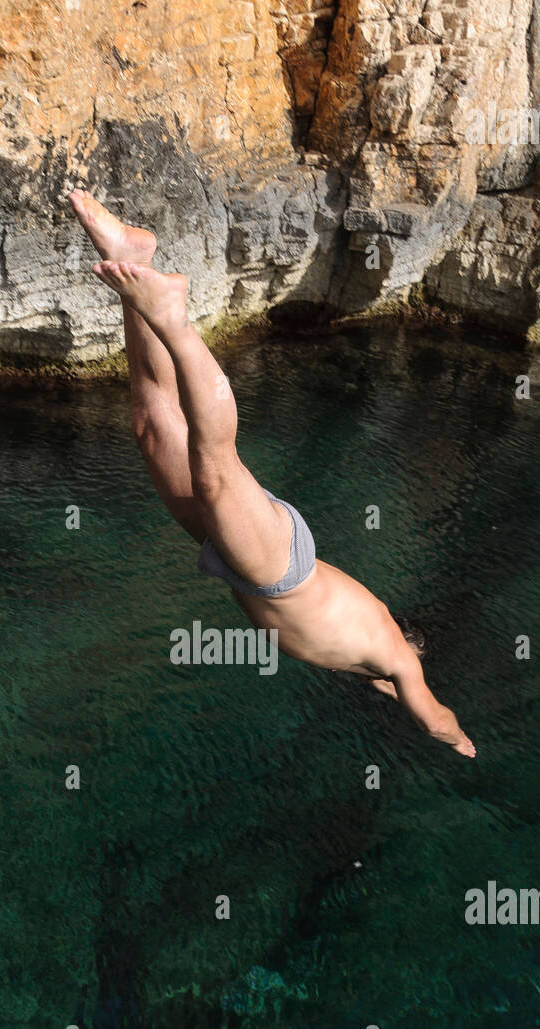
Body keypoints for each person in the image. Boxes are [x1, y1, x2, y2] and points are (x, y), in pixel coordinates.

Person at [68, 190, 476, 758]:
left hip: (243, 559)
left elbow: (380, 681)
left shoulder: (370, 653)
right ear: (408, 647)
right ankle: (173, 318)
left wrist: (384, 683)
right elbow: (432, 718)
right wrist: (462, 743)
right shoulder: (399, 656)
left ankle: (133, 259)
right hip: (277, 567)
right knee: (216, 463)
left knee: (153, 429)